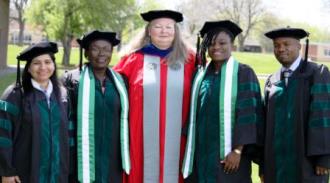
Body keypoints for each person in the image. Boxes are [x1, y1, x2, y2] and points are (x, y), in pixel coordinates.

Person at [113, 10, 195, 183]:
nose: (164, 31)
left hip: (180, 138)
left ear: (176, 31)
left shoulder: (191, 60)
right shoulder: (133, 59)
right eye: (158, 27)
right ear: (149, 31)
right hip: (140, 137)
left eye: (169, 27)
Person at [181, 20, 264, 183]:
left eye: (222, 43)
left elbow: (250, 115)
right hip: (201, 153)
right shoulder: (200, 75)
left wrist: (238, 151)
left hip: (229, 156)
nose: (216, 47)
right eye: (211, 44)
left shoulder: (243, 73)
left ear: (231, 45)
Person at [262, 27, 330, 183]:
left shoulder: (317, 74)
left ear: (299, 46)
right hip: (276, 163)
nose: (281, 49)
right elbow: (265, 125)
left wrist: (324, 158)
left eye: (286, 44)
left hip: (308, 163)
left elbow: (324, 116)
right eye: (276, 45)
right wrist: (263, 165)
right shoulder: (272, 80)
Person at [62, 30, 130, 183]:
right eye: (95, 48)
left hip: (113, 155)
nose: (101, 53)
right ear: (86, 53)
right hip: (80, 156)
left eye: (107, 49)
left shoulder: (121, 81)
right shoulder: (71, 80)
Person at [0, 42, 70, 183]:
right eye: (36, 63)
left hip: (57, 172)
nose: (43, 67)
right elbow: (3, 135)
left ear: (54, 65)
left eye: (47, 62)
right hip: (24, 173)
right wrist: (7, 171)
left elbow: (68, 134)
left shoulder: (63, 94)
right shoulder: (14, 94)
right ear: (29, 68)